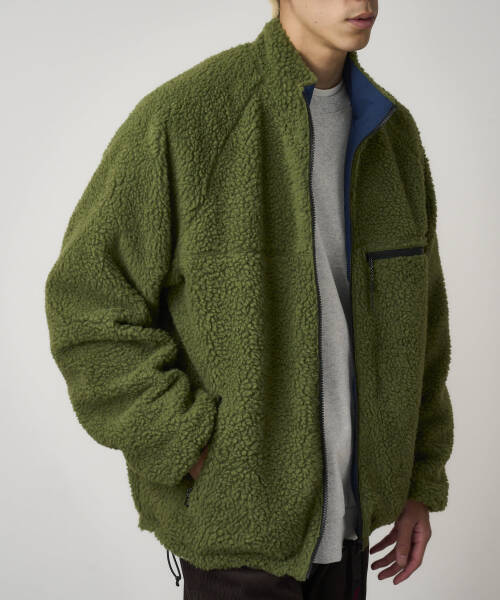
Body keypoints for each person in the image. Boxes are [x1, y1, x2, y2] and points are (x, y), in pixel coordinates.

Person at [44, 1, 454, 598]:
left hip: (353, 528)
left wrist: (418, 479)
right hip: (237, 535)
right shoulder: (187, 117)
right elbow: (86, 307)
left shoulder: (392, 134)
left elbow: (425, 326)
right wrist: (192, 446)